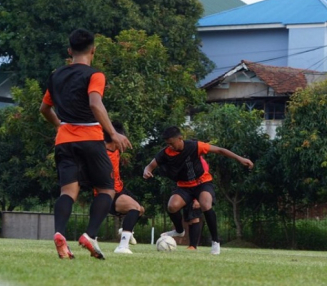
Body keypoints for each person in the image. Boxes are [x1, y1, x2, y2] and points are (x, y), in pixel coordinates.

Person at [40, 28, 131, 260]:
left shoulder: (56, 75)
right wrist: (113, 134)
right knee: (106, 189)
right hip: (91, 137)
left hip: (64, 140)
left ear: (69, 51)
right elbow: (95, 104)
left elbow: (44, 109)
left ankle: (59, 233)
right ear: (93, 50)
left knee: (68, 192)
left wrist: (60, 126)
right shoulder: (95, 75)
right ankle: (89, 235)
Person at [143, 126, 253, 255]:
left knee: (206, 204)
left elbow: (220, 150)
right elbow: (150, 166)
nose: (170, 146)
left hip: (202, 182)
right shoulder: (165, 153)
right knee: (172, 206)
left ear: (180, 138)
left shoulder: (195, 146)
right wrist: (147, 171)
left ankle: (215, 242)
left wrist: (240, 158)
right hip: (184, 186)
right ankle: (179, 230)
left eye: (172, 143)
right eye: (167, 144)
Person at [101, 122, 144, 254]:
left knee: (140, 210)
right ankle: (122, 246)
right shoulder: (102, 155)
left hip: (120, 189)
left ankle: (125, 230)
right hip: (109, 193)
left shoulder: (116, 148)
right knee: (134, 208)